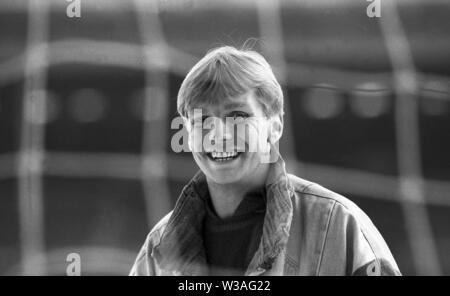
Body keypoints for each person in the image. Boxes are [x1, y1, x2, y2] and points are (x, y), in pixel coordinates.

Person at [129, 45, 401, 276]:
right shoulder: (159, 248)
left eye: (237, 115)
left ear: (276, 125)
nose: (219, 135)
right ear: (187, 132)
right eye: (202, 120)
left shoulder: (338, 224)